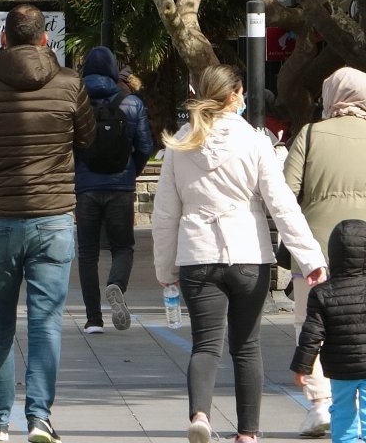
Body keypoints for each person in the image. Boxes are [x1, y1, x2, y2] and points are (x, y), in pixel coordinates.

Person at [0, 4, 95, 443]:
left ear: (3, 39)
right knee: (46, 323)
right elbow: (88, 138)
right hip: (54, 218)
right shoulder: (70, 85)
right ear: (45, 40)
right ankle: (40, 417)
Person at [151, 64, 327, 443]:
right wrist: (310, 257)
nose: (245, 99)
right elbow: (281, 205)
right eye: (243, 93)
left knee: (205, 345)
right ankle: (247, 434)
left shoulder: (181, 143)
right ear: (232, 96)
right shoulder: (255, 142)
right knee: (247, 347)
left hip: (197, 255)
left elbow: (165, 214)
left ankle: (200, 415)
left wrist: (165, 268)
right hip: (248, 253)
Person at [284, 66, 366, 437]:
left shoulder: (310, 134)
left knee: (310, 321)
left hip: (315, 245)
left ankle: (320, 405)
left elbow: (287, 190)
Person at [74, 47, 153, 334]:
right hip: (121, 187)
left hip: (86, 188)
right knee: (122, 247)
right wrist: (132, 172)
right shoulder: (131, 102)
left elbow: (67, 148)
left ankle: (93, 319)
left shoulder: (77, 102)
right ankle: (116, 284)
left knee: (87, 253)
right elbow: (145, 146)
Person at [292, 220, 366, 443]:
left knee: (342, 410)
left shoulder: (322, 293)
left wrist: (301, 367)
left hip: (340, 368)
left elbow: (311, 334)